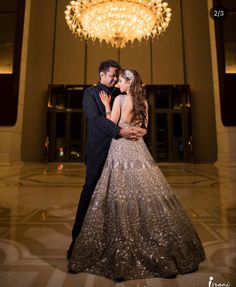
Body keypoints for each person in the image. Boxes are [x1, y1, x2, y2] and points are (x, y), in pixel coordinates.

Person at [68, 69, 205, 280]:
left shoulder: (120, 100)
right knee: (144, 191)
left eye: (121, 81)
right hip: (139, 149)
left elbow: (112, 125)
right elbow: (145, 130)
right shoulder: (144, 103)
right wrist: (136, 131)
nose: (117, 85)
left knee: (119, 193)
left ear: (128, 83)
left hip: (121, 149)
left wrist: (106, 106)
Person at [67, 61, 147, 259]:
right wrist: (119, 131)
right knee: (90, 188)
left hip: (120, 151)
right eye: (112, 75)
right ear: (101, 74)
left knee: (118, 193)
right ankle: (77, 239)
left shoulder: (120, 94)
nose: (114, 79)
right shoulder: (90, 93)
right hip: (99, 148)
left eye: (117, 76)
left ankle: (113, 238)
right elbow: (95, 118)